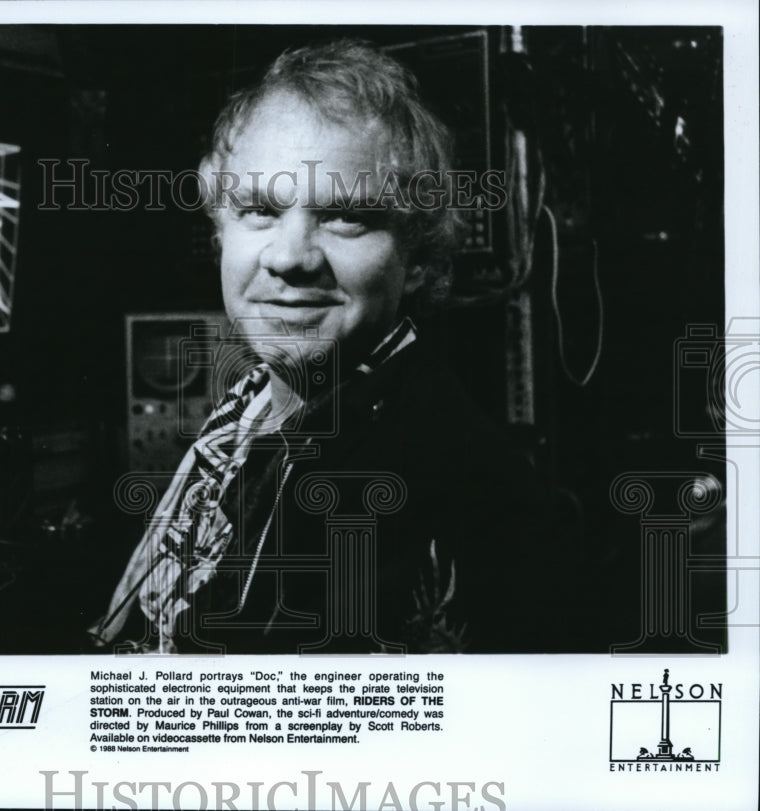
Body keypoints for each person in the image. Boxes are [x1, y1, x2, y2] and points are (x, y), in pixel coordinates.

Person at [89, 39, 579, 655]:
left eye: (346, 216)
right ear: (220, 233)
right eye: (260, 210)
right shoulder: (255, 409)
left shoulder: (440, 484)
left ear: (420, 258)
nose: (291, 256)